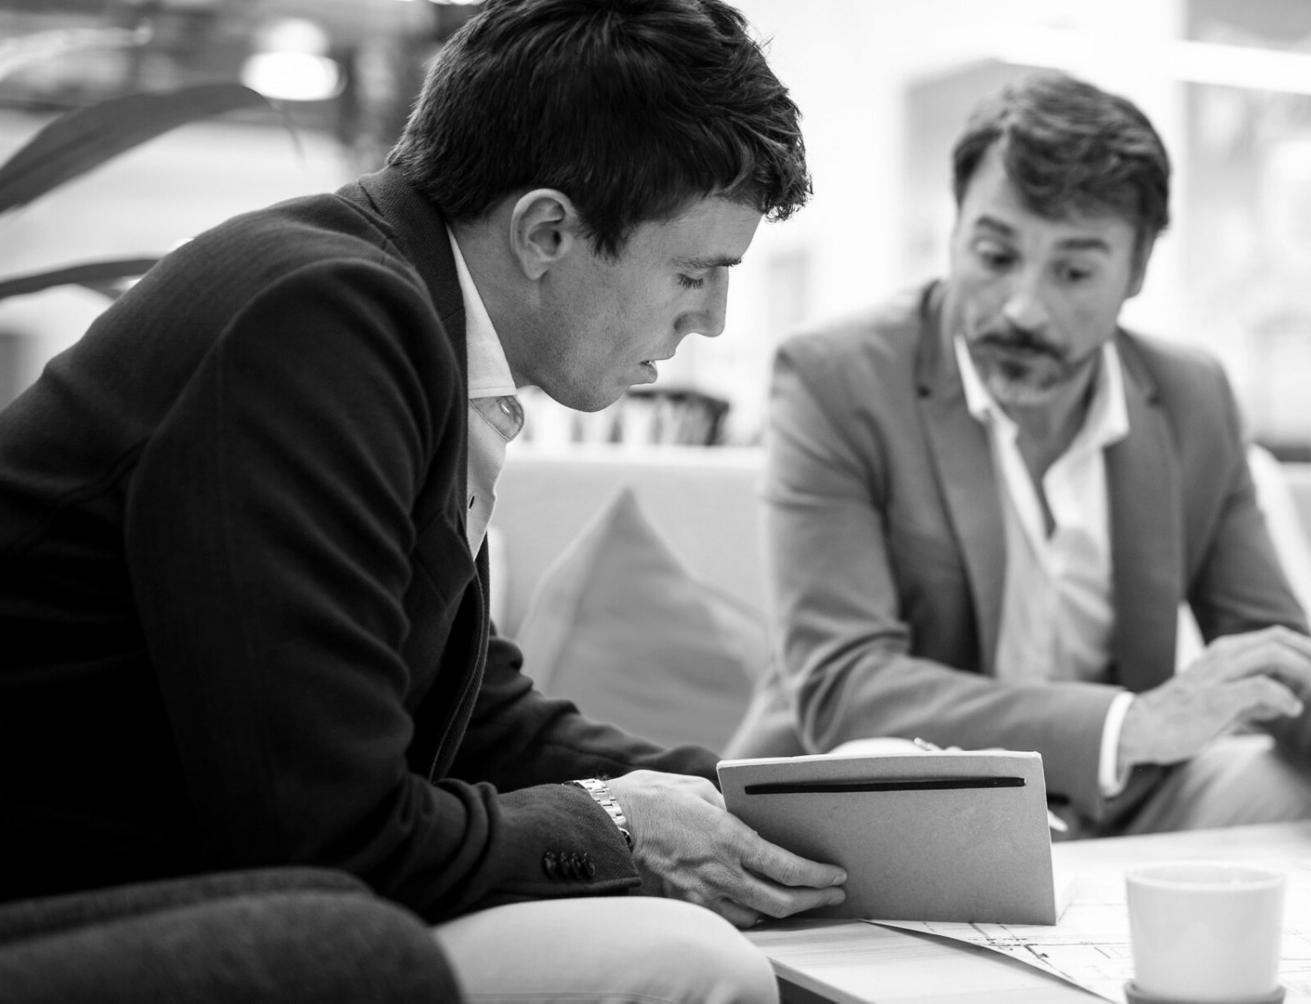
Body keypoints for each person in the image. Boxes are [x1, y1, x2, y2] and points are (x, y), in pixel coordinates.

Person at [0, 1, 845, 1000]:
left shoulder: (393, 317)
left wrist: (781, 806)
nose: (711, 318)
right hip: (75, 906)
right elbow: (329, 833)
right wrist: (616, 821)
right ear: (546, 231)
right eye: (695, 271)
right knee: (690, 965)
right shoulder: (316, 323)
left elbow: (475, 713)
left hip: (192, 879)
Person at [728, 72, 1311, 837]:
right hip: (911, 793)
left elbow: (1273, 652)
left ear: (1137, 271)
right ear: (954, 233)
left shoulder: (1192, 396)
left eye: (1075, 272)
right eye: (994, 254)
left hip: (1120, 799)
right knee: (888, 767)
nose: (1022, 306)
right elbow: (846, 685)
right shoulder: (835, 380)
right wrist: (1131, 725)